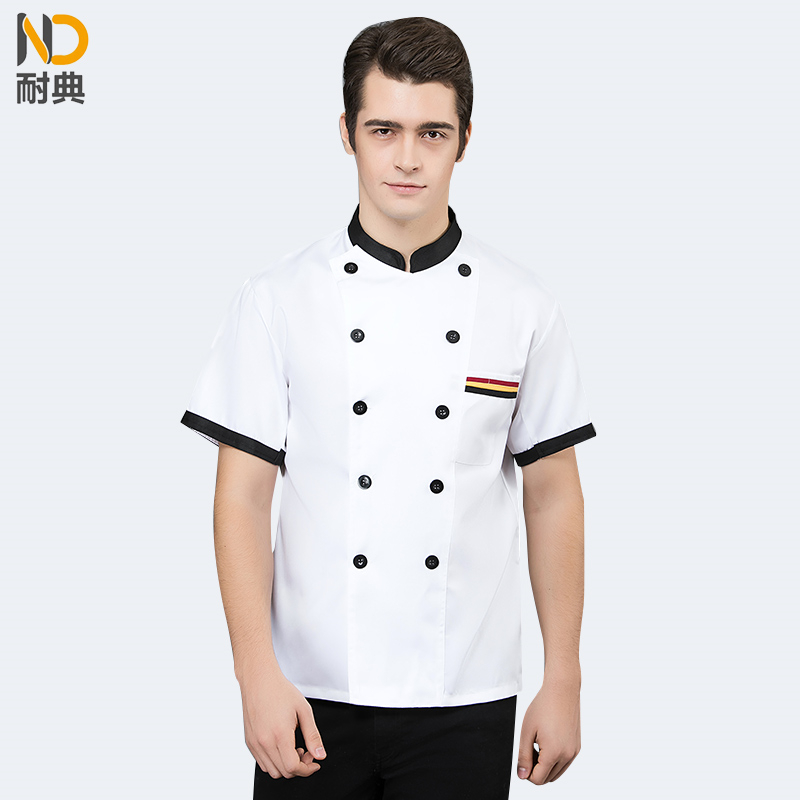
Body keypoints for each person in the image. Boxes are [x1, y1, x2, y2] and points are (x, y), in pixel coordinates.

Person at [180, 16, 596, 799]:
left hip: (466, 693)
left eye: (432, 133)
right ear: (347, 133)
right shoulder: (277, 301)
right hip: (307, 694)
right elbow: (241, 496)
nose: (407, 158)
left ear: (465, 140)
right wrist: (254, 673)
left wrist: (564, 677)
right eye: (384, 131)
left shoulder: (521, 305)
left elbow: (553, 497)